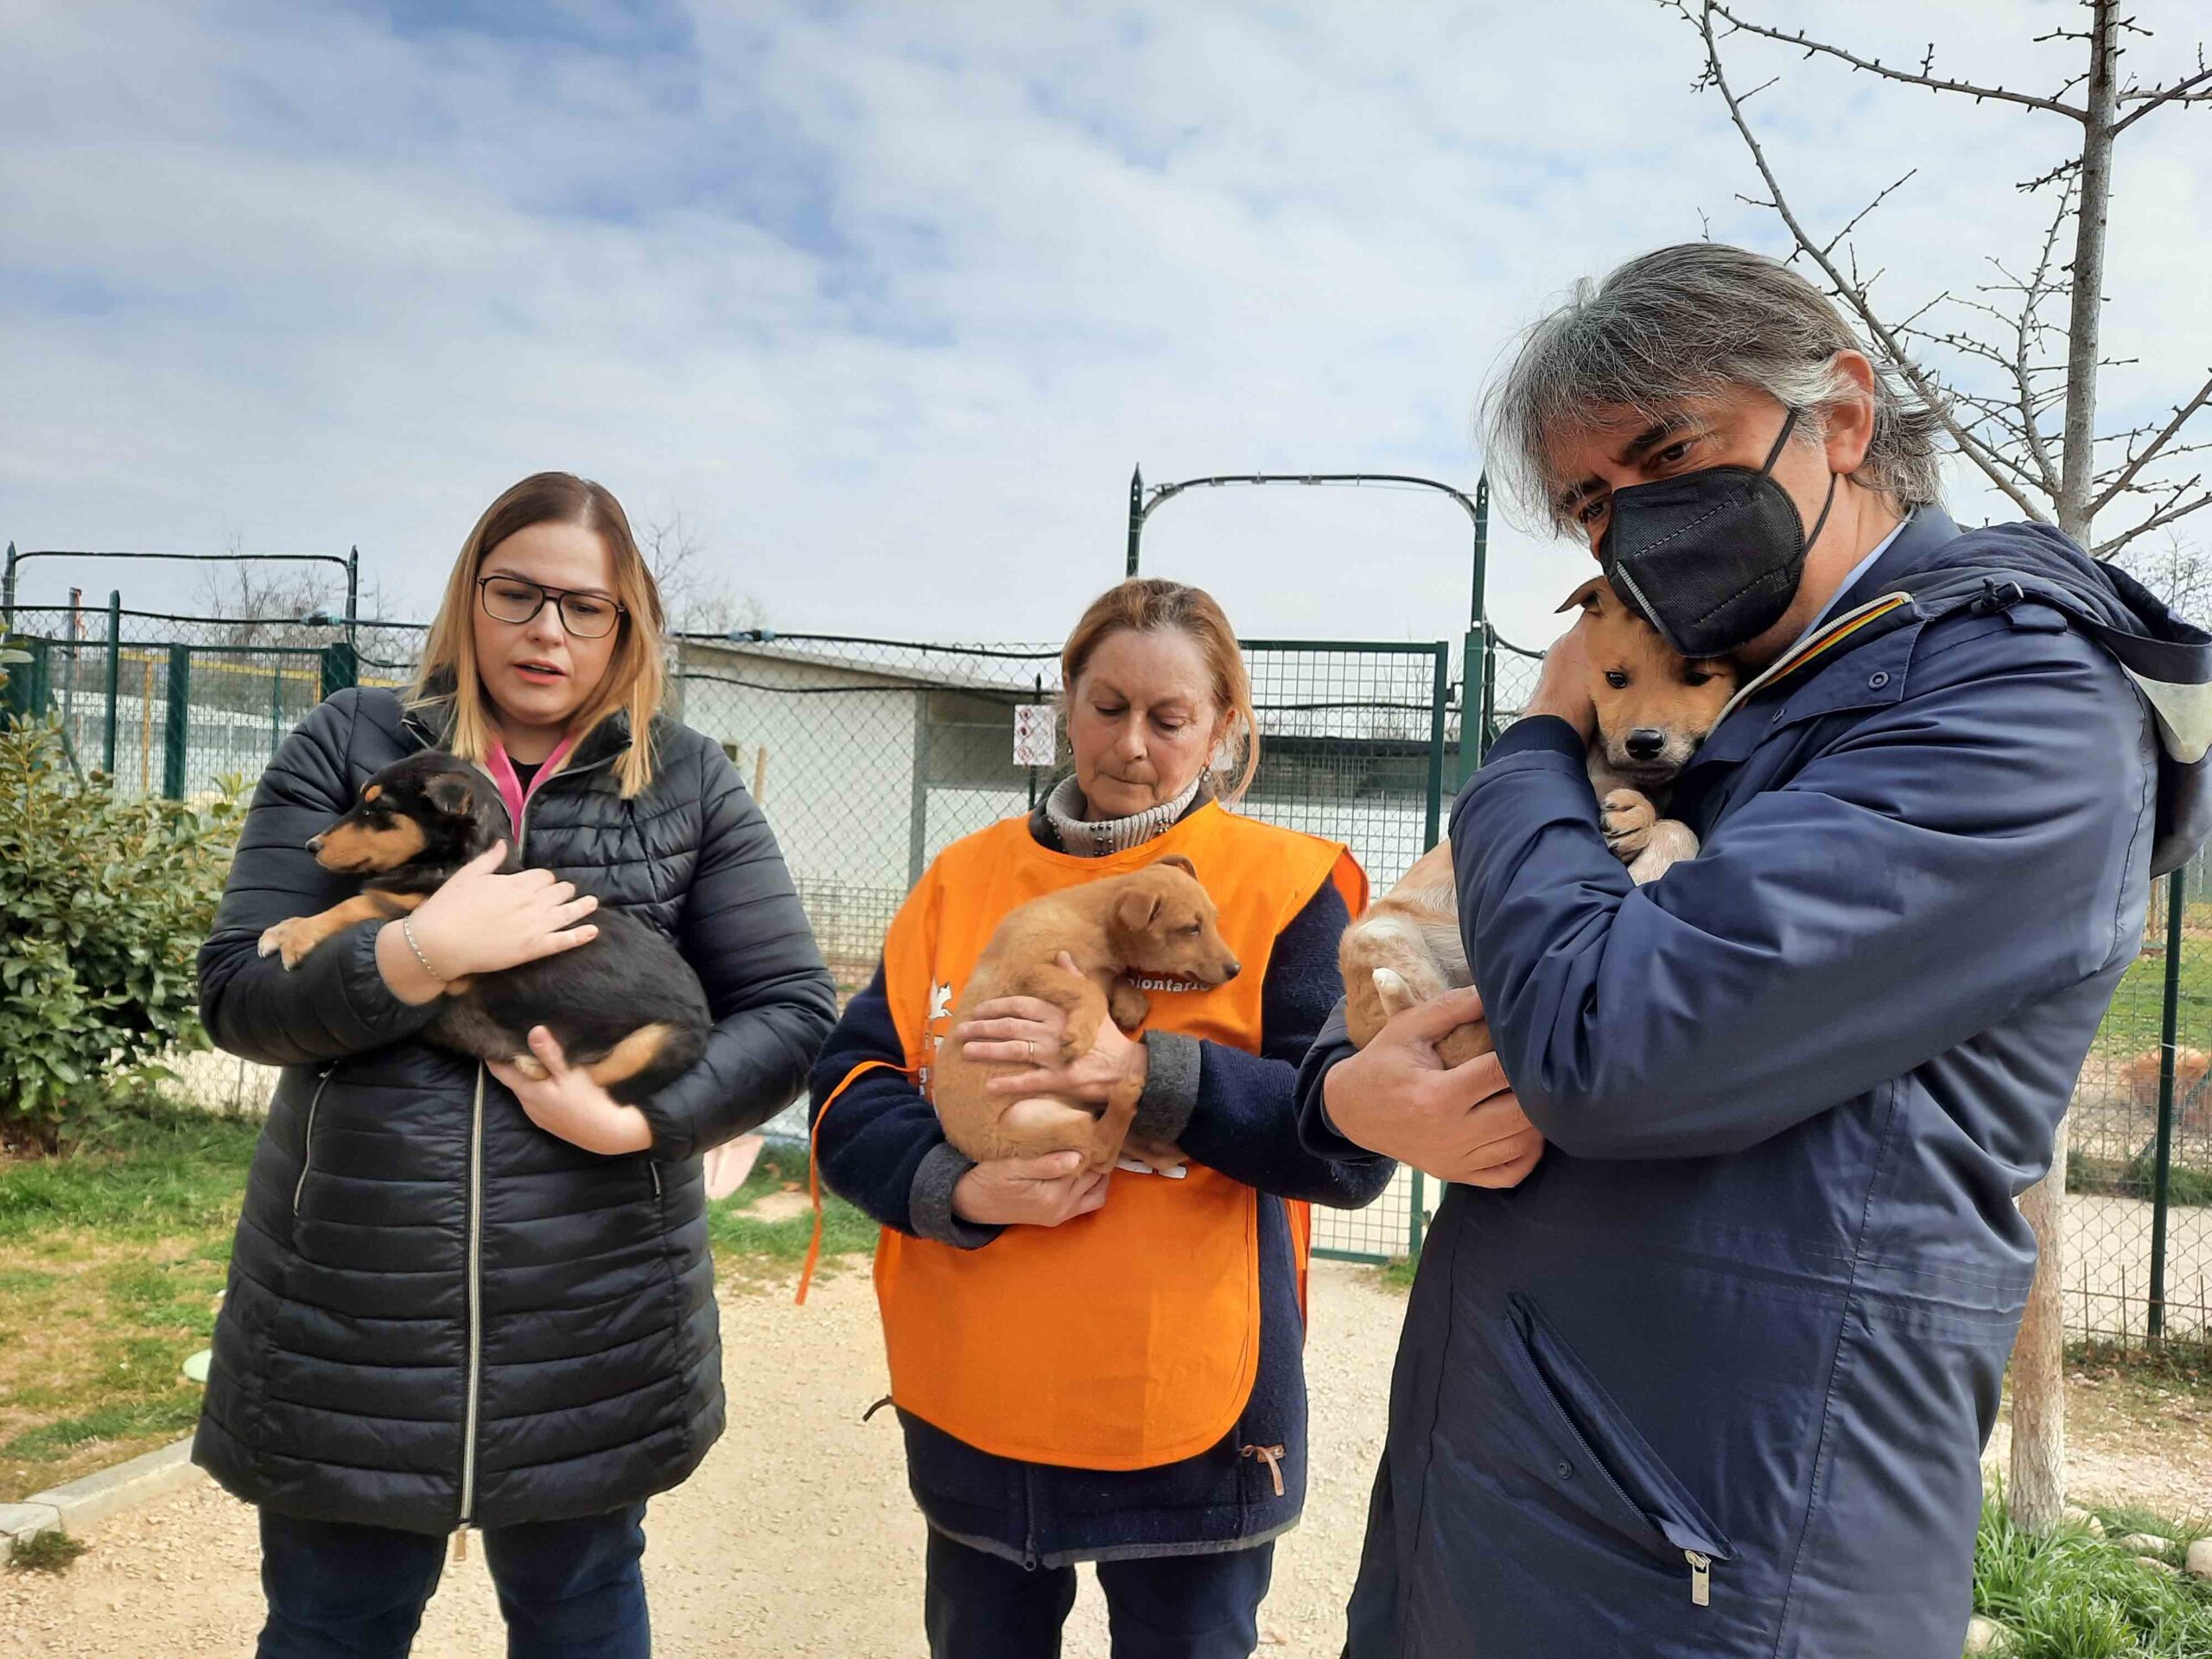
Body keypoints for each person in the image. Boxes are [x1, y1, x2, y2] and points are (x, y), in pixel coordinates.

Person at [1300, 243, 2212, 1658]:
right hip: (1514, 1520)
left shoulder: (2014, 706)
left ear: (1842, 418)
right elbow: (1486, 967)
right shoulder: (1756, 690)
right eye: (1597, 503)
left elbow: (1612, 1046)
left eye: (1671, 456)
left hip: (1728, 1577)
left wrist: (1537, 739)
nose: (1637, 528)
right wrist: (1352, 1094)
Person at [195, 471, 838, 1658]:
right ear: (469, 596)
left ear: (627, 622)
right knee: (333, 1625)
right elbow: (239, 993)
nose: (549, 631)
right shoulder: (349, 743)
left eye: (585, 607)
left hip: (593, 1318)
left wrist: (647, 1125)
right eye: (518, 594)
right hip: (356, 1310)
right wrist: (416, 953)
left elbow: (793, 1008)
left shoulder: (687, 777)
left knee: (582, 1618)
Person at [810, 578, 1404, 1659]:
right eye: (1106, 706)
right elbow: (850, 1089)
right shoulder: (962, 879)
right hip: (977, 1396)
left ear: (1224, 728)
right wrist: (953, 1186)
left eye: (1171, 718)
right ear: (1064, 704)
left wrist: (1143, 1073)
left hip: (1188, 1411)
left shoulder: (1284, 888)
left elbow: (1352, 1149)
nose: (1131, 746)